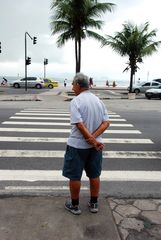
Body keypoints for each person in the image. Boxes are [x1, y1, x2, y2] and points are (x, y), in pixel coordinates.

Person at [63, 73, 110, 215]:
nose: (72, 87)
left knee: (75, 176)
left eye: (73, 84)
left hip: (77, 146)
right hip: (96, 147)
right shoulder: (98, 101)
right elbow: (106, 123)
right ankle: (94, 203)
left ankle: (75, 206)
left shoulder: (76, 101)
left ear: (78, 84)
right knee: (94, 175)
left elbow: (79, 124)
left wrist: (90, 139)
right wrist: (94, 140)